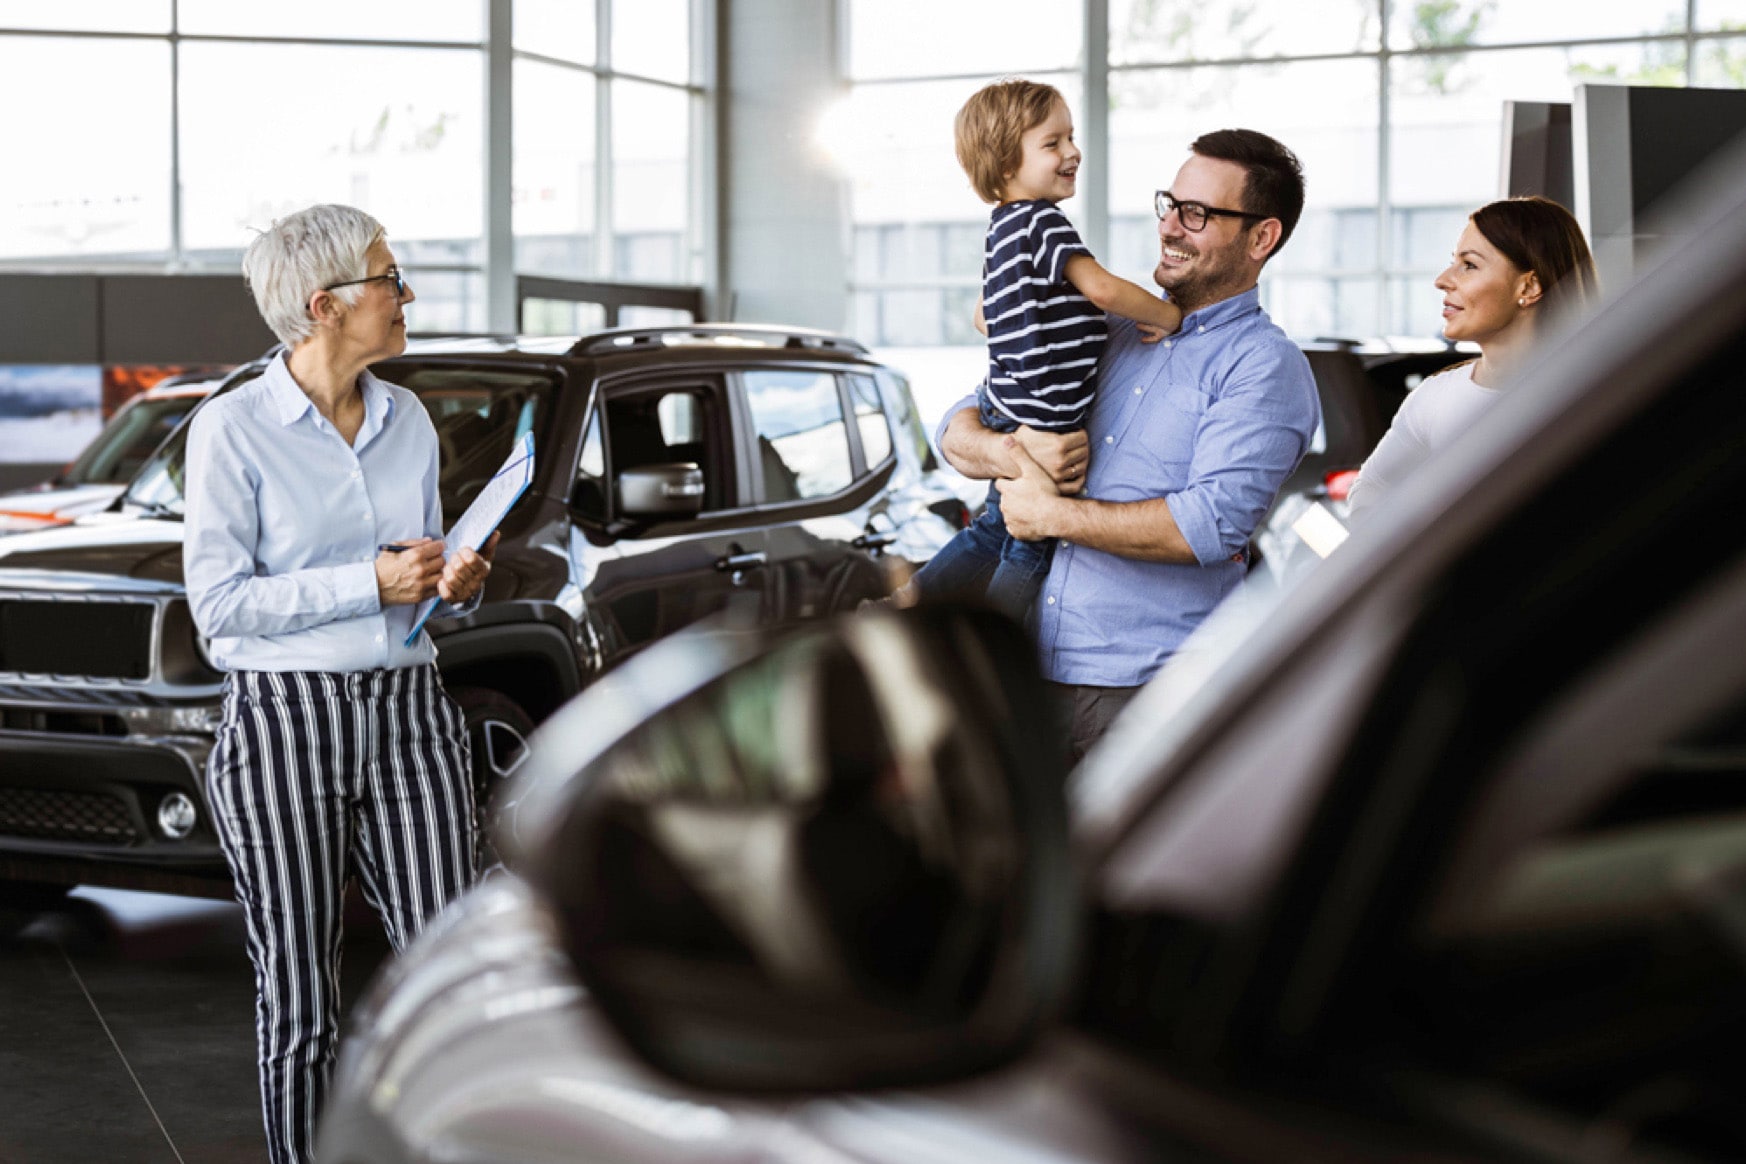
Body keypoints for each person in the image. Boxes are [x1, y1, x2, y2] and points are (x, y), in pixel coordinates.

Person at [183, 204, 495, 1164]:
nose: (408, 297)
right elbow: (221, 609)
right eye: (389, 279)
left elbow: (420, 583)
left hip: (411, 714)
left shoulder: (409, 421)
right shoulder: (231, 429)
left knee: (452, 977)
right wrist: (368, 581)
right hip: (284, 724)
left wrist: (454, 582)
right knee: (300, 992)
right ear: (324, 306)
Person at [935, 129, 1321, 764]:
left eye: (1197, 214)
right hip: (1022, 677)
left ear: (1262, 237)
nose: (1170, 226)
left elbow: (1209, 525)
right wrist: (1007, 454)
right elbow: (959, 424)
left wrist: (1050, 515)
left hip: (1141, 695)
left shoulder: (1263, 366)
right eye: (1170, 203)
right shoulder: (1106, 323)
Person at [903, 78, 1183, 621]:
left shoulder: (1002, 229)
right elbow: (1100, 287)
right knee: (1031, 541)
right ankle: (993, 646)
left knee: (990, 529)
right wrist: (1166, 314)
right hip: (1045, 419)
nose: (1073, 152)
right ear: (1007, 164)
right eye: (1052, 143)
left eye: (1071, 138)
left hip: (1005, 405)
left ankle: (909, 602)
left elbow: (984, 316)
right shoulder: (1044, 223)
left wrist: (1041, 325)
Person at [1347, 196, 1598, 522]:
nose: (1442, 280)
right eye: (1454, 262)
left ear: (1529, 285)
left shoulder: (1594, 395)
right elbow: (1368, 497)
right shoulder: (1433, 399)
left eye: (1469, 265)